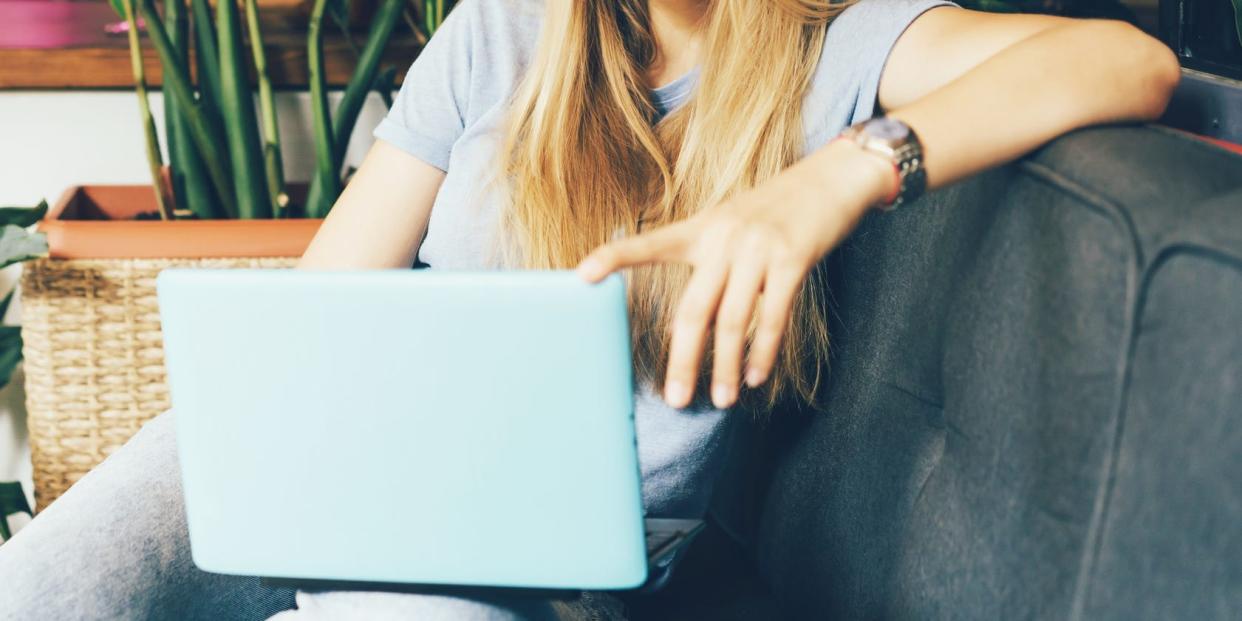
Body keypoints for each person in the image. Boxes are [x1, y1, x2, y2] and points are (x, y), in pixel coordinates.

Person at [0, 0, 1178, 618]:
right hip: (345, 466)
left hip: (542, 570)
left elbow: (1126, 62)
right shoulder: (496, 34)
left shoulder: (847, 47)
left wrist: (838, 175)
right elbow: (326, 311)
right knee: (45, 586)